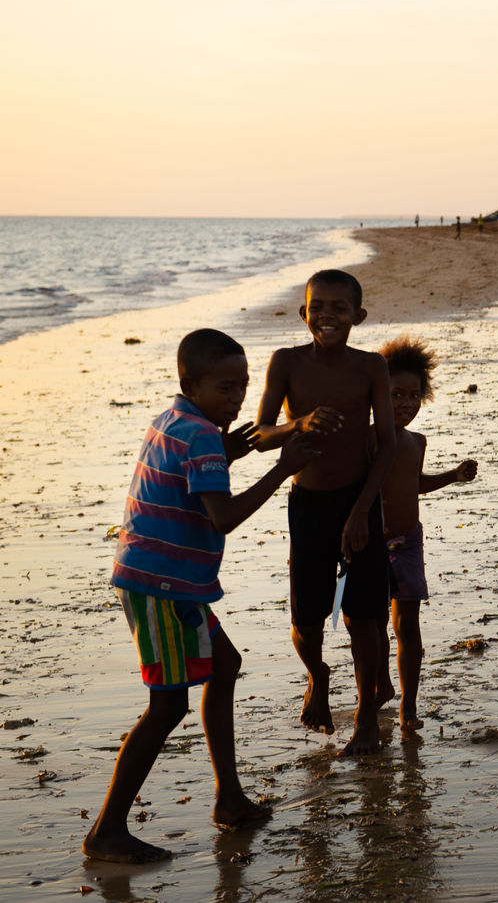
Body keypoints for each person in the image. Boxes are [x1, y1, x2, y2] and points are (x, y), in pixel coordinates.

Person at [85, 329, 316, 863]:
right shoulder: (203, 435)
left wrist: (230, 453)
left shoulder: (179, 420)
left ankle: (229, 798)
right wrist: (283, 467)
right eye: (225, 388)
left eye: (242, 388)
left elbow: (193, 478)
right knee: (167, 706)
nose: (236, 399)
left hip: (162, 577)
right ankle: (106, 831)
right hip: (160, 584)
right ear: (190, 383)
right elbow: (223, 516)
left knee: (225, 664)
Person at [254, 269, 396, 756]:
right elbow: (260, 436)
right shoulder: (286, 363)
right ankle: (318, 675)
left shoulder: (370, 367)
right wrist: (300, 423)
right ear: (303, 314)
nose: (327, 316)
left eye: (339, 308)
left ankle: (365, 718)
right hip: (308, 503)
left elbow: (388, 445)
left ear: (358, 316)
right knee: (307, 620)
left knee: (363, 618)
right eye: (318, 307)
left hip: (358, 499)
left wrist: (362, 511)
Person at [378, 336, 478, 730]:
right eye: (395, 394)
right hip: (370, 545)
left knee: (408, 629)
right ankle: (380, 686)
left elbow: (413, 484)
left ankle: (409, 706)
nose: (405, 403)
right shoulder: (367, 440)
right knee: (371, 630)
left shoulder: (416, 441)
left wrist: (453, 476)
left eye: (414, 395)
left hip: (408, 543)